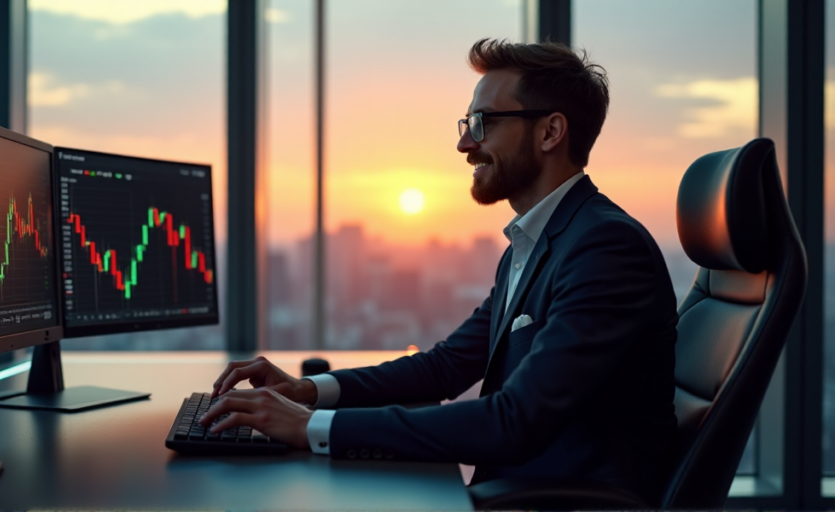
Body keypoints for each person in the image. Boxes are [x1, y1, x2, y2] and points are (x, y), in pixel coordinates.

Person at [200, 38, 678, 503]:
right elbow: (446, 366)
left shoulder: (605, 248)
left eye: (482, 121)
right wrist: (308, 392)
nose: (464, 143)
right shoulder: (535, 244)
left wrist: (309, 427)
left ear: (551, 132)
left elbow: (515, 420)